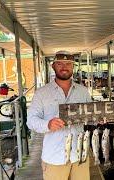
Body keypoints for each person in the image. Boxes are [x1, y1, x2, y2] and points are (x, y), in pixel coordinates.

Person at [27, 51, 91, 180]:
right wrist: (48, 124)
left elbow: (91, 114)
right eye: (60, 63)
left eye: (68, 63)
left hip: (80, 156)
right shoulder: (42, 93)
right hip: (54, 157)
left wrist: (98, 120)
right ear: (53, 66)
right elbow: (31, 121)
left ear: (73, 67)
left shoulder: (83, 91)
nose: (64, 67)